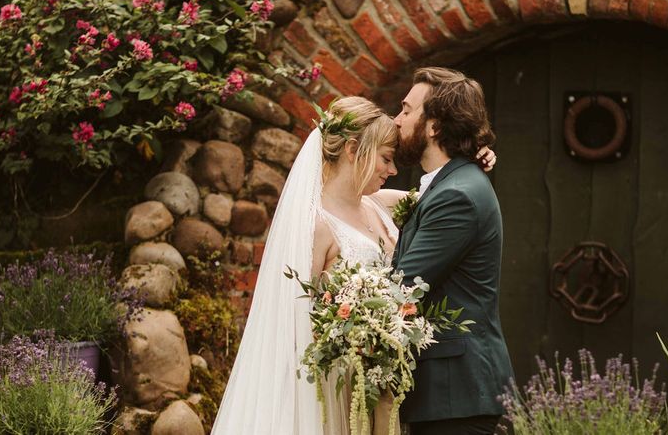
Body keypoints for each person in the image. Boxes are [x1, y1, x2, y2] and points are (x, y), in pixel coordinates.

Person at [211, 95, 496, 435]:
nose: (392, 171)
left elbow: (449, 192)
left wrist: (471, 160)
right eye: (386, 159)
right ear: (351, 149)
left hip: (377, 387)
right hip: (336, 388)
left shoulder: (382, 205)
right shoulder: (315, 227)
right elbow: (293, 323)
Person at [392, 67, 513, 435]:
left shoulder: (456, 195)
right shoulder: (448, 184)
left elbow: (402, 285)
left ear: (434, 126)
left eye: (407, 110)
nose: (397, 120)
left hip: (457, 398)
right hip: (449, 397)